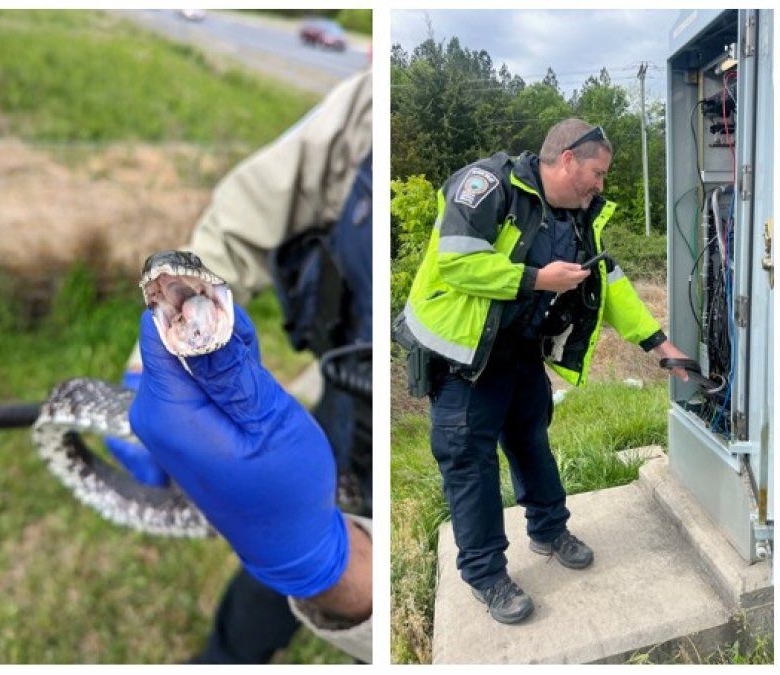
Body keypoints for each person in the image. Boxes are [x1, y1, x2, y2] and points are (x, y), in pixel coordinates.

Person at [116, 69, 372, 663]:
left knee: (294, 538)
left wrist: (330, 566)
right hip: (344, 403)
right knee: (264, 579)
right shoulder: (364, 102)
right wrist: (141, 364)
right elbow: (241, 217)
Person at [394, 119, 690, 624]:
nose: (601, 185)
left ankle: (549, 530)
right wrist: (537, 278)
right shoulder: (486, 185)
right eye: (597, 173)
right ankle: (486, 576)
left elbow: (609, 283)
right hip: (463, 357)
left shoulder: (578, 216)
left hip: (518, 350)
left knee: (532, 440)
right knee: (471, 465)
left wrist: (661, 346)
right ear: (569, 159)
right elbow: (455, 263)